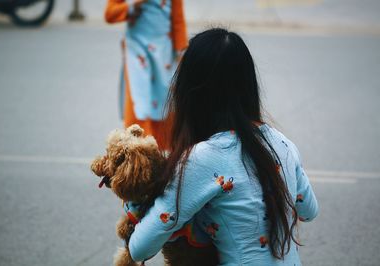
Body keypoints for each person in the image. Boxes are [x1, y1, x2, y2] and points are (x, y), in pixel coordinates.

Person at [127, 28, 319, 265]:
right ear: (249, 86)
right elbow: (309, 210)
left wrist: (135, 198)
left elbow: (139, 249)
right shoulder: (284, 144)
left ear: (192, 93)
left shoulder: (202, 159)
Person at [104, 0, 188, 150]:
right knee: (139, 106)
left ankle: (163, 158)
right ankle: (135, 158)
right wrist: (130, 7)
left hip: (165, 53)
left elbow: (177, 19)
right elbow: (110, 14)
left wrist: (182, 54)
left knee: (165, 107)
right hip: (136, 52)